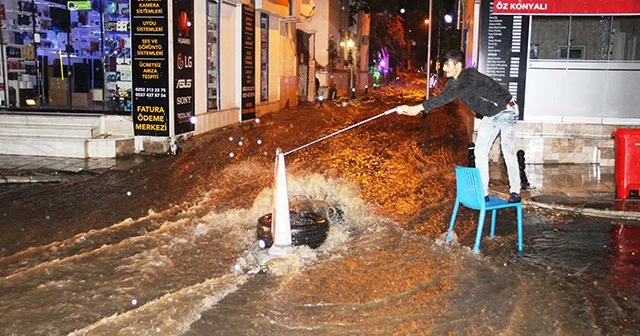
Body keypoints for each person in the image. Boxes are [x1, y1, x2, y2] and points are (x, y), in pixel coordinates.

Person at [397, 49, 521, 203]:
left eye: (447, 64)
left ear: (458, 65)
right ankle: (483, 194)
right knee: (480, 151)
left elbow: (446, 97)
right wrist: (416, 108)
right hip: (491, 115)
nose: (444, 68)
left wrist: (416, 108)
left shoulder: (469, 76)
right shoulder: (453, 83)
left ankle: (515, 191)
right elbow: (442, 96)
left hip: (506, 110)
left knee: (508, 149)